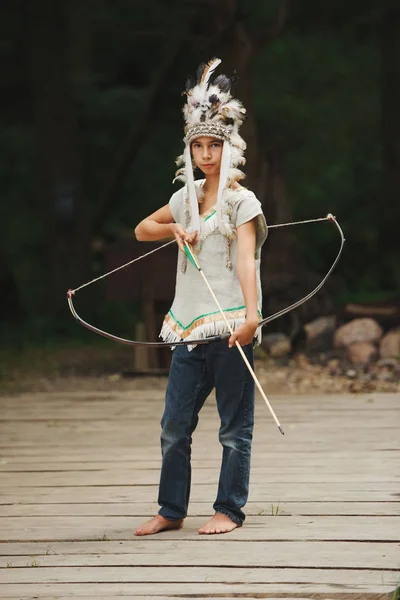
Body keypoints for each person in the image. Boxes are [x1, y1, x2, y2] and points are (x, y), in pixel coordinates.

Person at [133, 58, 267, 536]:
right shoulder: (184, 198)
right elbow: (142, 228)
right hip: (188, 325)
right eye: (198, 145)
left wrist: (251, 317)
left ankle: (228, 509)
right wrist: (173, 230)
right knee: (174, 427)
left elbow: (248, 260)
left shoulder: (240, 202)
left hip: (231, 326)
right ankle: (172, 509)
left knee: (234, 429)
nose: (206, 154)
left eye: (215, 145)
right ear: (189, 150)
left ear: (230, 148)